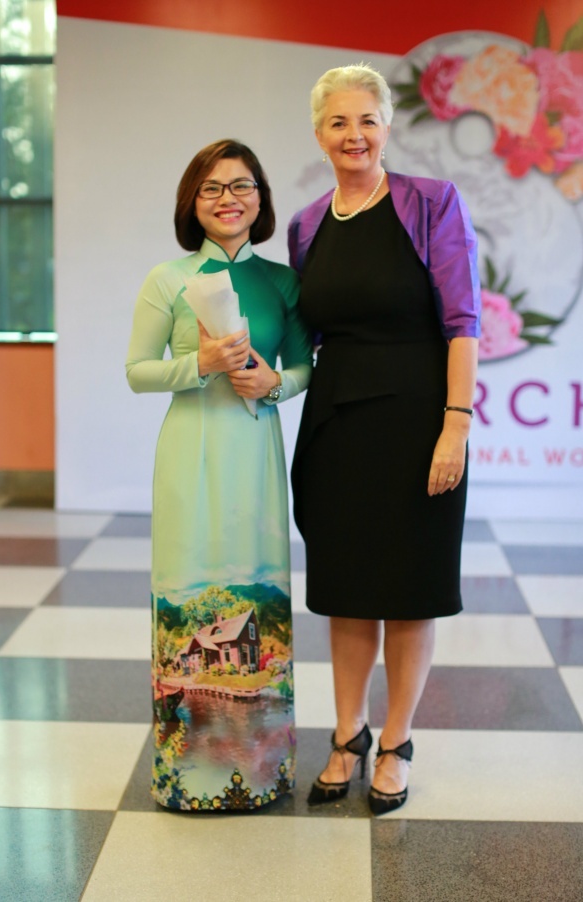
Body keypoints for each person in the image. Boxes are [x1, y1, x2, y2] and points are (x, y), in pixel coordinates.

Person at [288, 64, 480, 815]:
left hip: (417, 420)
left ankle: (396, 740)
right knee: (346, 593)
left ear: (387, 126)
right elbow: (306, 335)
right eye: (338, 122)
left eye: (367, 119)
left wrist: (454, 427)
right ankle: (348, 733)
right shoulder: (307, 224)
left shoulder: (431, 204)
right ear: (319, 133)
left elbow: (463, 324)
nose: (354, 135)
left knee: (407, 591)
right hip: (337, 424)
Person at [126, 139, 312, 812]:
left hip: (256, 447)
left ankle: (265, 772)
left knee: (258, 580)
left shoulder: (284, 281)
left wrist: (275, 383)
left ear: (261, 198)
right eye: (212, 188)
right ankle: (188, 776)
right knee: (187, 581)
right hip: (189, 451)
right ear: (191, 203)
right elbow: (137, 371)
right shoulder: (166, 280)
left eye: (242, 185)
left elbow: (304, 367)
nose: (228, 198)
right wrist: (199, 362)